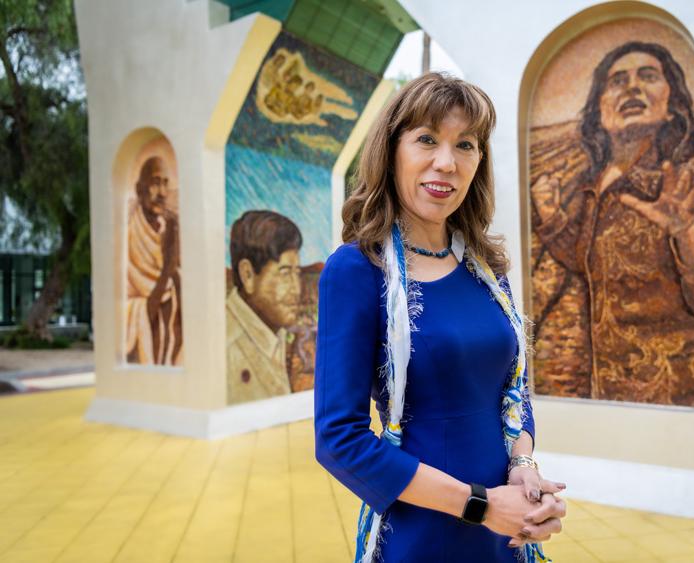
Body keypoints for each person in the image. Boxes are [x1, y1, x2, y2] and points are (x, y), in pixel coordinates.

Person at [315, 73, 566, 563]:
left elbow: (511, 390)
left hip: (505, 530)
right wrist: (480, 505)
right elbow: (338, 439)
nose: (446, 163)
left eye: (465, 145)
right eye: (427, 139)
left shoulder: (485, 267)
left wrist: (523, 470)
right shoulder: (357, 269)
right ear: (391, 151)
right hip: (426, 532)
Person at [530, 41, 694, 407]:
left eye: (648, 76)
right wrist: (552, 220)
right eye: (617, 81)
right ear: (599, 110)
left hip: (678, 400)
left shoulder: (691, 178)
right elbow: (591, 264)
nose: (632, 87)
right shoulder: (598, 183)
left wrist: (686, 231)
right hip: (610, 393)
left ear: (671, 103)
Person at [227, 210, 302, 403]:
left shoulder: (275, 333)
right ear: (248, 275)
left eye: (298, 273)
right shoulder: (226, 347)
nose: (296, 289)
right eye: (285, 273)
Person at [126, 156, 182, 365]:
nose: (162, 193)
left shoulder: (168, 230)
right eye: (155, 183)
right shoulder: (129, 235)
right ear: (140, 189)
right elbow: (147, 310)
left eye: (165, 183)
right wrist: (168, 266)